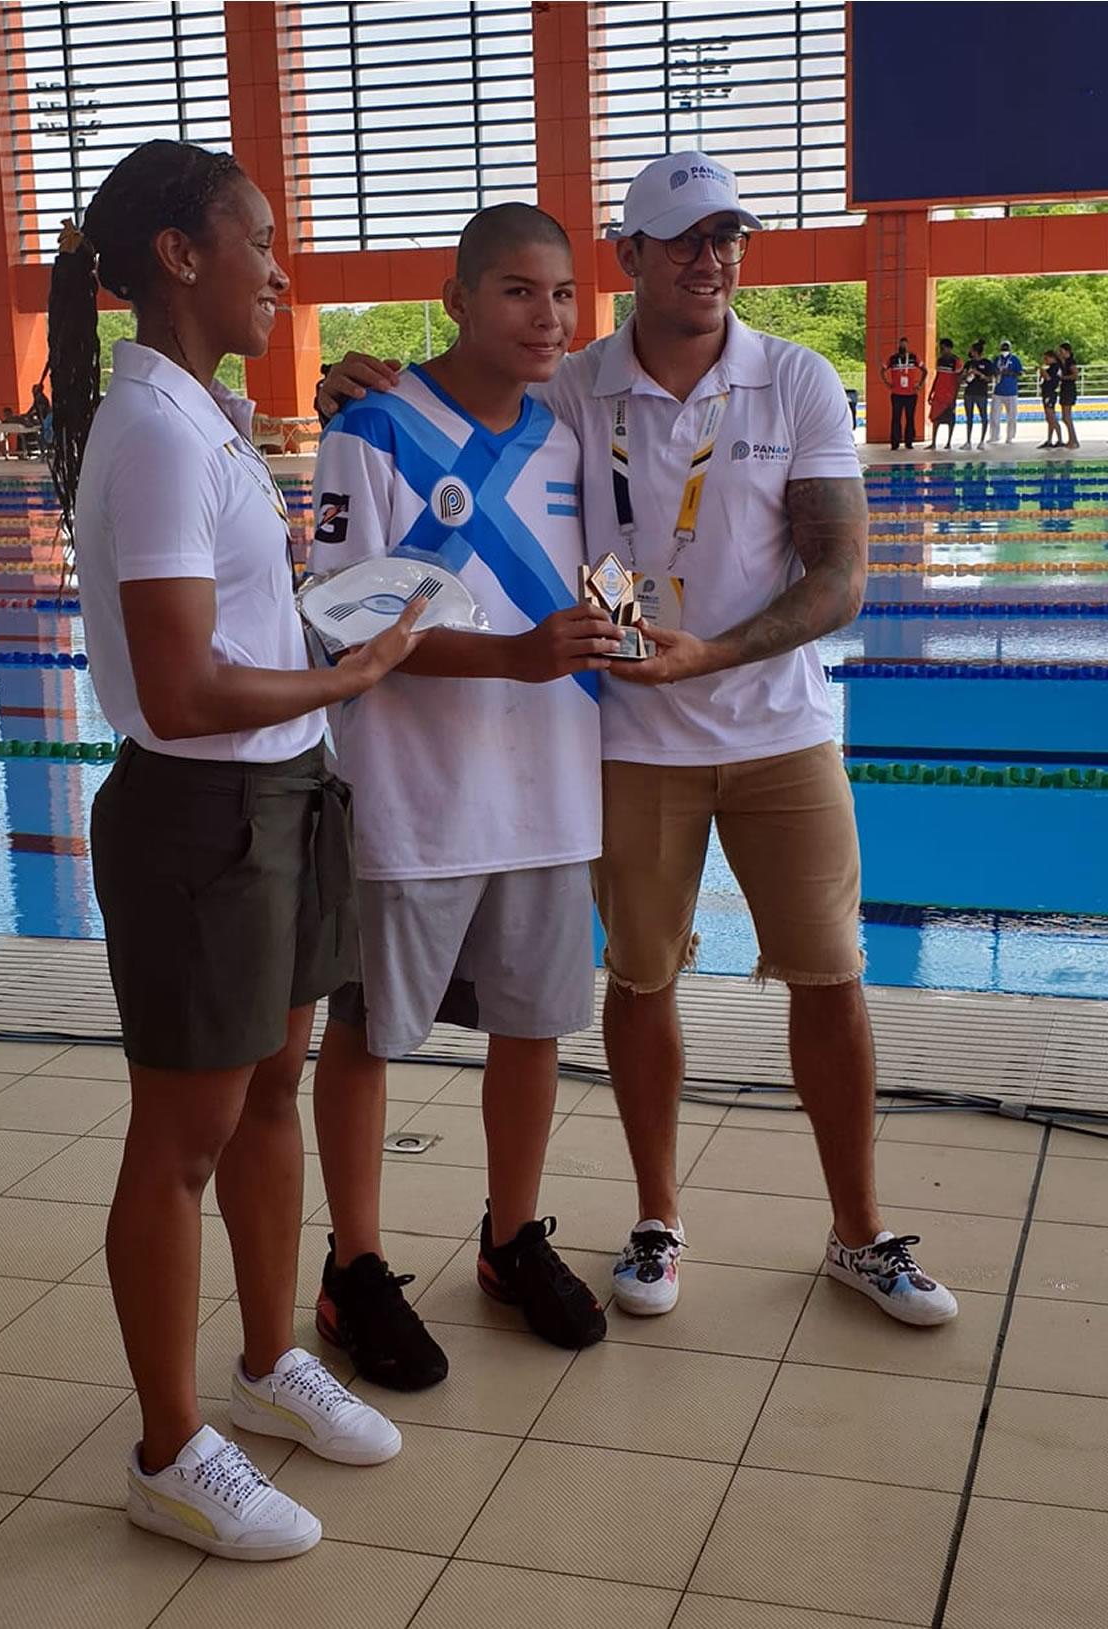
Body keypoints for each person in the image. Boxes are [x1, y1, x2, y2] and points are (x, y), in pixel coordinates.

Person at [319, 151, 959, 1333]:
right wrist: (365, 394)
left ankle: (859, 1234)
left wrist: (710, 657)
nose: (713, 260)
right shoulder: (575, 386)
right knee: (641, 978)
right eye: (686, 240)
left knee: (830, 976)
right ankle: (657, 1219)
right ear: (635, 259)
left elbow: (842, 578)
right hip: (626, 742)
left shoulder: (798, 380)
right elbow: (466, 422)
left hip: (779, 730)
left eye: (730, 237)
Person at [46, 138, 422, 1561]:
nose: (284, 264)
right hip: (204, 819)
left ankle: (270, 1361)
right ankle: (166, 1449)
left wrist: (330, 629)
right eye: (259, 239)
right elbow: (187, 686)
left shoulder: (197, 415)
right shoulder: (148, 435)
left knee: (277, 1087)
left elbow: (244, 625)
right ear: (180, 258)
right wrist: (349, 675)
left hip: (281, 800)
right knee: (181, 1139)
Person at [309, 203, 614, 1391]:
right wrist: (513, 656)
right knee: (370, 1033)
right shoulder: (374, 433)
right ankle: (357, 1268)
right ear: (459, 300)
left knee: (532, 1027)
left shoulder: (569, 438)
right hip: (413, 792)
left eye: (562, 296)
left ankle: (508, 1240)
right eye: (518, 293)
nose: (548, 319)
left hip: (549, 790)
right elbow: (340, 615)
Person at [880, 337, 925, 450]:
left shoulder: (914, 358)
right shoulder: (893, 358)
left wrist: (920, 384)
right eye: (901, 345)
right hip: (897, 394)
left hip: (911, 393)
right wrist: (887, 383)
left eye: (904, 345)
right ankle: (895, 442)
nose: (903, 347)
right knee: (896, 418)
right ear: (898, 346)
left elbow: (925, 370)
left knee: (910, 418)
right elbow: (882, 370)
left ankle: (909, 442)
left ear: (907, 346)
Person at [927, 337, 962, 451]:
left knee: (950, 419)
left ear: (949, 348)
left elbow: (958, 380)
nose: (941, 350)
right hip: (939, 394)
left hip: (949, 395)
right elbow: (937, 377)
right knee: (936, 419)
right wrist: (931, 392)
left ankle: (949, 442)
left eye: (943, 347)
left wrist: (955, 398)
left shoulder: (956, 361)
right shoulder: (940, 360)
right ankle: (933, 443)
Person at [961, 341, 995, 450]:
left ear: (976, 352)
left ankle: (982, 441)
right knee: (969, 417)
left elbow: (990, 378)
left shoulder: (986, 363)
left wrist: (979, 374)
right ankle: (968, 441)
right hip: (969, 392)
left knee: (983, 416)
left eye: (971, 350)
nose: (970, 352)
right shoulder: (968, 363)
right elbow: (962, 378)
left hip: (981, 393)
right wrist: (967, 374)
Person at [988, 339, 1023, 445]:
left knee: (1012, 416)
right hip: (998, 391)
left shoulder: (1015, 359)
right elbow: (992, 371)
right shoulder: (996, 359)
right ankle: (994, 436)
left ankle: (1010, 437)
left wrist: (1010, 372)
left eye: (1006, 347)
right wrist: (996, 372)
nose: (1004, 349)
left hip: (1011, 392)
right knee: (994, 416)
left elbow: (1020, 372)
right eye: (1003, 346)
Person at [1038, 349, 1063, 448]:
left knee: (1051, 417)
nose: (1045, 360)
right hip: (1047, 393)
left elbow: (1049, 378)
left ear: (1052, 358)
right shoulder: (1052, 367)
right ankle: (1049, 439)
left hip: (1050, 393)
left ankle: (1060, 439)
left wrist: (1042, 370)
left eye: (1046, 358)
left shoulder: (1055, 368)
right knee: (1049, 418)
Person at [1057, 342, 1080, 449]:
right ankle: (1073, 439)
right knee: (1065, 417)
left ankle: (1073, 440)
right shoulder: (1063, 362)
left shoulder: (1071, 362)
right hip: (1065, 389)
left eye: (1061, 351)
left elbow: (1075, 375)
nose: (1060, 353)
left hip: (1069, 390)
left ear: (1067, 352)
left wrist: (1063, 378)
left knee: (1067, 417)